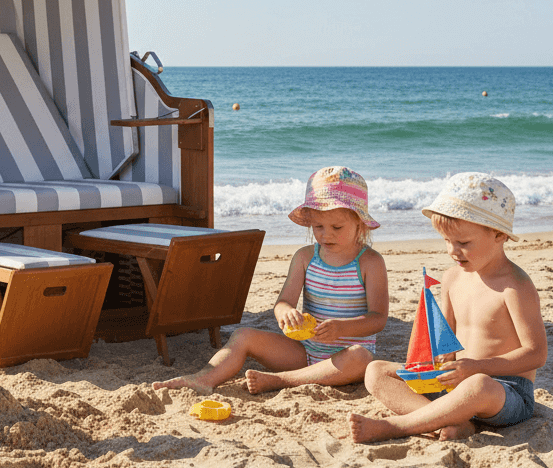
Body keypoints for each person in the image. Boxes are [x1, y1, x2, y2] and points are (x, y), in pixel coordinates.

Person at [153, 166, 388, 394]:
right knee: (242, 335)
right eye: (318, 226)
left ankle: (282, 381)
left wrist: (342, 328)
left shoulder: (370, 262)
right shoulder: (305, 258)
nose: (326, 234)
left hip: (346, 357)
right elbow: (283, 302)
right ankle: (204, 378)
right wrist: (286, 314)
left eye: (337, 227)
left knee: (361, 358)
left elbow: (378, 318)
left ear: (359, 222)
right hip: (304, 352)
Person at [350, 173, 547, 443]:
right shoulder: (452, 278)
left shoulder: (515, 287)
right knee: (376, 372)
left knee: (478, 385)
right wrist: (436, 364)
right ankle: (453, 422)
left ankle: (399, 426)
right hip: (455, 381)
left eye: (463, 243)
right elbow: (448, 343)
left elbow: (536, 354)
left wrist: (477, 367)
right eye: (446, 241)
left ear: (499, 234)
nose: (452, 251)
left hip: (503, 390)